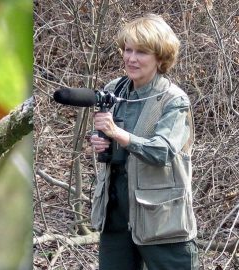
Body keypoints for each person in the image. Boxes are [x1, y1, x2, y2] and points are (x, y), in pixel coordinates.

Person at [90, 14, 199, 269]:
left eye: (142, 52)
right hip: (115, 214)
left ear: (160, 57)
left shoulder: (174, 100)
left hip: (162, 221)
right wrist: (99, 140)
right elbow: (109, 137)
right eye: (128, 50)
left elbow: (162, 151)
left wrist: (117, 134)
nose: (131, 58)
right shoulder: (115, 89)